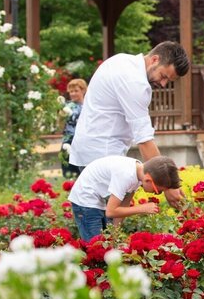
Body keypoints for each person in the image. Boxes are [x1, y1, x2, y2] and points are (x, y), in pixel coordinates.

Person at [69, 41, 189, 208]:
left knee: (105, 220)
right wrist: (168, 185)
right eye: (163, 76)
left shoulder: (122, 61)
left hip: (93, 148)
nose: (162, 84)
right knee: (104, 222)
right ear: (155, 60)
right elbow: (144, 139)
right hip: (101, 152)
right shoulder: (134, 82)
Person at [68, 155, 181, 242]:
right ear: (148, 180)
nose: (157, 194)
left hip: (96, 198)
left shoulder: (139, 172)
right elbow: (111, 212)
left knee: (107, 243)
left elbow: (124, 205)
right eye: (158, 191)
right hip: (85, 200)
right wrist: (142, 208)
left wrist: (115, 233)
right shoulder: (126, 175)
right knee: (95, 245)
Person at [59, 78, 87, 179]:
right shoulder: (67, 106)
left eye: (76, 91)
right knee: (69, 173)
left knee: (84, 172)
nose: (73, 94)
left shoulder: (89, 106)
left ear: (83, 90)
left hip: (85, 142)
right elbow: (60, 124)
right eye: (71, 91)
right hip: (69, 141)